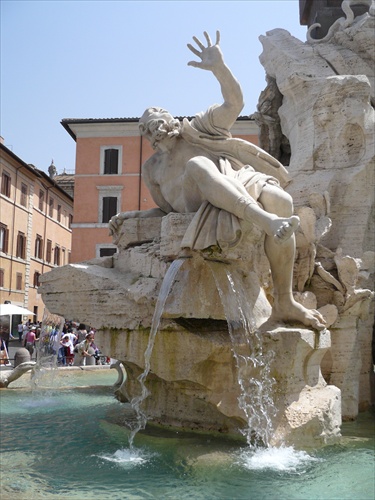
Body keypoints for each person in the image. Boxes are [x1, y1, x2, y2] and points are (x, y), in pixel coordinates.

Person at [109, 31, 326, 332]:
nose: (156, 131)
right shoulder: (152, 169)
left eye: (159, 122)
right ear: (145, 137)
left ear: (171, 120)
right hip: (196, 207)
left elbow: (234, 102)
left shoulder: (199, 130)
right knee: (198, 165)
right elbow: (165, 212)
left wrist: (219, 67)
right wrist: (134, 215)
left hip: (235, 183)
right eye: (148, 129)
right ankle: (266, 221)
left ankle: (285, 302)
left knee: (282, 201)